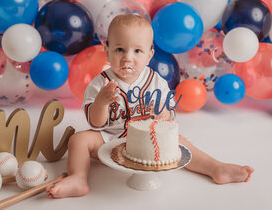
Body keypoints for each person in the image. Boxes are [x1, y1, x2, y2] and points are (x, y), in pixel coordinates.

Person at [46, 14, 254, 198]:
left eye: (137, 51)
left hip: (148, 141)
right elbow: (96, 123)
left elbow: (168, 118)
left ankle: (216, 168)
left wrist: (163, 116)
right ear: (107, 52)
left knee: (180, 142)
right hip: (110, 139)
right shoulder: (101, 83)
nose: (128, 57)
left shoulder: (156, 82)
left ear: (149, 55)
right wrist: (101, 101)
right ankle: (78, 178)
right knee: (79, 140)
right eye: (120, 49)